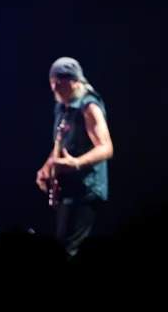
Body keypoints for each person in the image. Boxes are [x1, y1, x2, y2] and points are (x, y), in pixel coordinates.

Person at [35, 57, 113, 258]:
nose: (54, 89)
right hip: (68, 189)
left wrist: (76, 163)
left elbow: (106, 147)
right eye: (52, 83)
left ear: (74, 82)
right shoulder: (62, 106)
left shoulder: (89, 107)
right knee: (62, 246)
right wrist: (47, 168)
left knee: (69, 250)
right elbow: (60, 144)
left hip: (86, 189)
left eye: (58, 84)